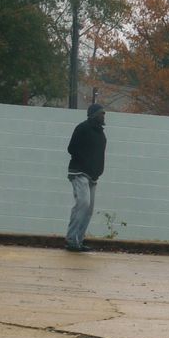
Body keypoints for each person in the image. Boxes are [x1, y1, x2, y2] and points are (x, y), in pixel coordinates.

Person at [65, 104, 107, 252]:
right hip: (79, 172)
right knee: (83, 203)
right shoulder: (82, 128)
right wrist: (84, 161)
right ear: (94, 114)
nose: (104, 116)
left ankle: (79, 240)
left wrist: (98, 170)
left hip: (93, 176)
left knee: (89, 209)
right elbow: (71, 148)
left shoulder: (101, 134)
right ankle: (71, 240)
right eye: (102, 113)